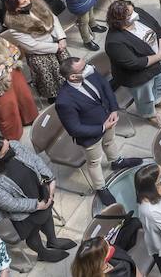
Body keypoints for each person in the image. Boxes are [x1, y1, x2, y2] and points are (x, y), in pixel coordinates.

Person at [54, 56, 138, 208]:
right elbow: (74, 128)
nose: (89, 68)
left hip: (108, 119)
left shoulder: (90, 73)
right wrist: (102, 128)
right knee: (94, 162)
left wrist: (113, 109)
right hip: (90, 135)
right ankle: (101, 187)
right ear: (73, 76)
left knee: (110, 142)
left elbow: (106, 87)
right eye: (84, 68)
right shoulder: (64, 101)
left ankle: (116, 161)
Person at [0, 137, 76, 262]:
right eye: (6, 151)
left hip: (38, 191)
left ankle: (53, 241)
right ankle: (43, 253)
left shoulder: (14, 146)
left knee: (47, 216)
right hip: (23, 211)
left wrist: (50, 179)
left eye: (8, 146)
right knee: (32, 233)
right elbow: (10, 203)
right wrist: (37, 205)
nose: (11, 150)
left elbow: (35, 160)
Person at [105, 0, 161, 126]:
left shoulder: (138, 13)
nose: (135, 14)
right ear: (120, 20)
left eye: (133, 10)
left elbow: (156, 27)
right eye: (130, 14)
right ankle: (149, 114)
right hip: (137, 74)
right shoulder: (114, 42)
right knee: (145, 96)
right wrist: (159, 56)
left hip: (157, 58)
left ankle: (159, 100)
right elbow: (135, 63)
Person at [2, 0, 66, 103]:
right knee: (51, 80)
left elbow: (53, 19)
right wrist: (56, 47)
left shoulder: (37, 3)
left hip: (57, 42)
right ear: (16, 9)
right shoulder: (14, 24)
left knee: (66, 70)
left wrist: (61, 38)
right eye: (24, 2)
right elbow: (32, 46)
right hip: (40, 53)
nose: (28, 1)